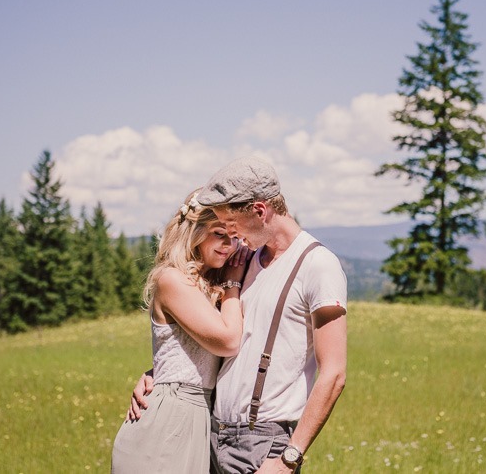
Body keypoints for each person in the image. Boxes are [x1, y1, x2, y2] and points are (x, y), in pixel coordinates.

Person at [129, 157, 348, 473]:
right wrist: (159, 374)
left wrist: (290, 457)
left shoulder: (318, 265)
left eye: (232, 228)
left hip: (264, 442)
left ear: (259, 211)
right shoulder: (244, 261)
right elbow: (209, 336)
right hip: (211, 434)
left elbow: (334, 373)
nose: (231, 242)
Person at [111, 190, 247, 473]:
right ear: (195, 232)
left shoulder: (209, 283)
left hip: (199, 418)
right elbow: (228, 341)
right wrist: (234, 284)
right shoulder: (172, 279)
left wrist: (154, 371)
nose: (229, 245)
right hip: (170, 419)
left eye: (234, 237)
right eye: (219, 233)